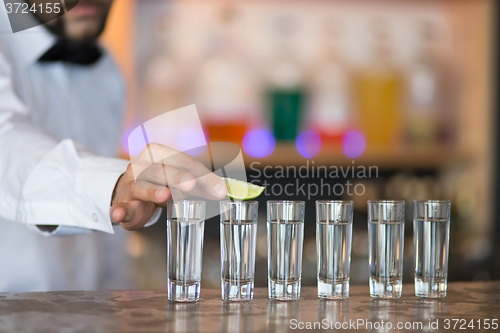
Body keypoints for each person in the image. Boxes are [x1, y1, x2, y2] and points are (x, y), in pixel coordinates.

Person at [0, 0, 227, 292]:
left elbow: (110, 243)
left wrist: (122, 306)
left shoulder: (107, 72)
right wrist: (112, 184)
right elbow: (7, 144)